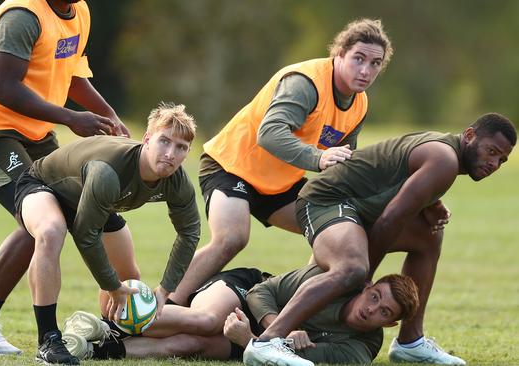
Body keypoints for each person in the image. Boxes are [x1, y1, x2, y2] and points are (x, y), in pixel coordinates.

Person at [0, 0, 139, 357]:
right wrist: (70, 118)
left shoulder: (78, 12)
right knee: (48, 225)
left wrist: (108, 115)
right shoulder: (22, 16)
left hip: (35, 134)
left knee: (43, 218)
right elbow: (4, 87)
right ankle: (48, 341)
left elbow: (72, 74)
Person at [249, 113, 516, 365]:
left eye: (502, 160)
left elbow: (399, 184)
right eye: (491, 151)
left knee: (429, 235)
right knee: (352, 268)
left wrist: (432, 203)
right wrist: (363, 280)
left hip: (357, 208)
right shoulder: (445, 160)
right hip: (325, 200)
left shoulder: (444, 154)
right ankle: (268, 341)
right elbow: (390, 219)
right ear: (469, 135)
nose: (493, 164)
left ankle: (410, 341)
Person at [170, 18, 392, 306]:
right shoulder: (305, 83)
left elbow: (345, 166)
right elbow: (270, 134)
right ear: (339, 54)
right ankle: (165, 307)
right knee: (232, 238)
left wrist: (413, 195)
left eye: (375, 64)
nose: (365, 70)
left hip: (278, 184)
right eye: (358, 59)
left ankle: (306, 307)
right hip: (231, 166)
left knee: (337, 230)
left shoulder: (359, 104)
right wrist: (318, 157)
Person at [4, 102, 199, 364]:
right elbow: (87, 235)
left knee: (129, 278)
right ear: (147, 140)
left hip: (90, 197)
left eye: (181, 147)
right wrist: (111, 287)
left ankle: (105, 333)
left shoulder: (177, 182)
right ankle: (48, 340)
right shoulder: (108, 172)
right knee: (51, 232)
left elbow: (189, 233)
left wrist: (166, 290)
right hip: (42, 184)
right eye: (164, 141)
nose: (170, 153)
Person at [69, 265, 418, 365]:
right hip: (245, 291)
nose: (370, 309)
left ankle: (100, 349)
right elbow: (259, 292)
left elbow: (299, 362)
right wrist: (273, 330)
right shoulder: (328, 283)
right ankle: (107, 322)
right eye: (374, 297)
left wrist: (250, 342)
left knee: (194, 344)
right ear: (366, 287)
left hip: (253, 339)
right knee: (206, 322)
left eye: (382, 311)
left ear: (389, 324)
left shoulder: (362, 349)